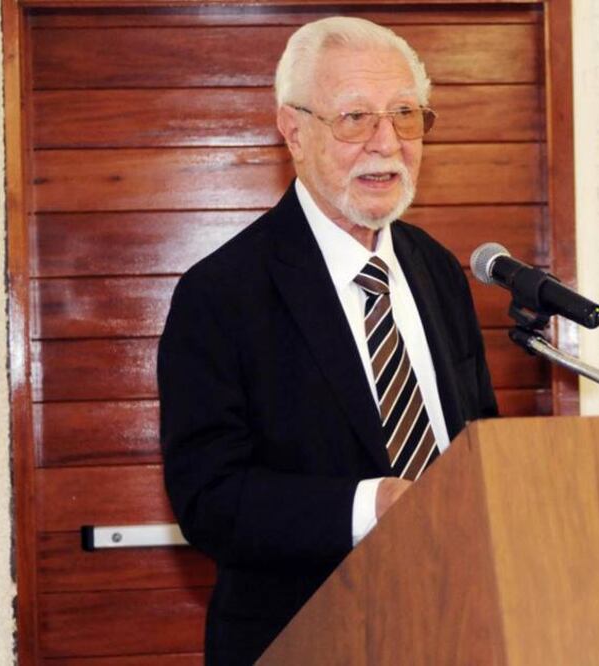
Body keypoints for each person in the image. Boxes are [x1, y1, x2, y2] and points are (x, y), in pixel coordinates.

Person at [157, 17, 498, 665]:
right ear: (293, 130)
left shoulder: (436, 269)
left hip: (455, 627)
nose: (386, 142)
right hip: (304, 639)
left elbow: (476, 438)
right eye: (355, 118)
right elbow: (209, 500)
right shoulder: (221, 294)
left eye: (405, 115)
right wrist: (372, 503)